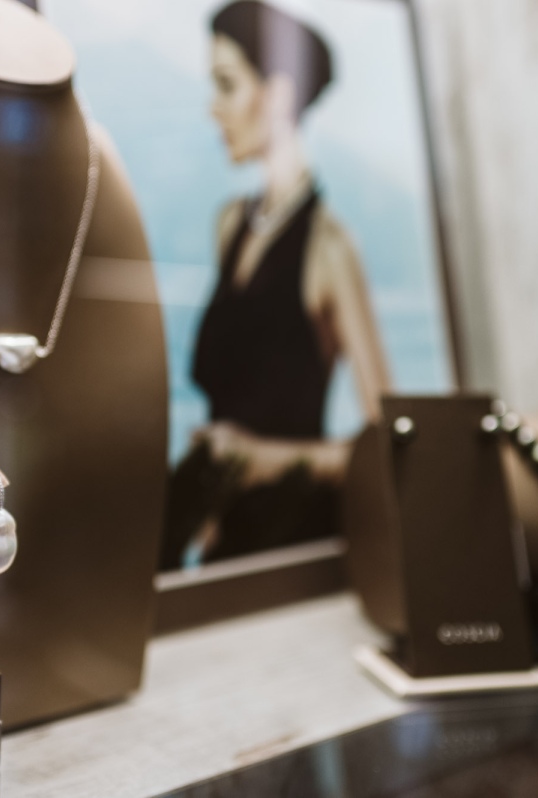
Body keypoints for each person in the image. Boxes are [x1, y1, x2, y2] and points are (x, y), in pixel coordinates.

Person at [161, 0, 393, 570]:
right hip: (223, 547)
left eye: (227, 85)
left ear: (279, 96)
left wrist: (263, 458)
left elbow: (388, 443)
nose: (213, 108)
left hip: (296, 548)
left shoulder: (329, 249)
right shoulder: (228, 226)